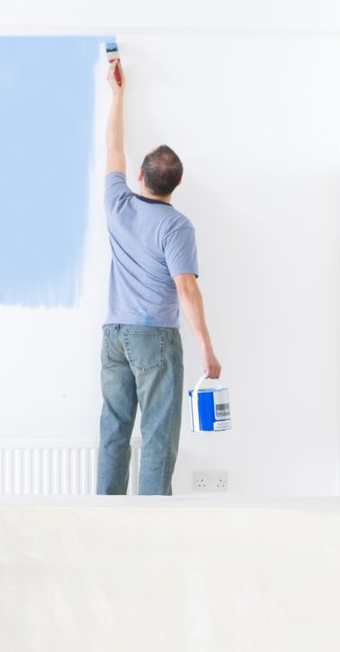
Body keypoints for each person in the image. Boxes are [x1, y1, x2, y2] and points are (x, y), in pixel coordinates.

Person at [98, 56, 221, 496]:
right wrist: (206, 347)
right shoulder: (176, 227)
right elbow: (185, 287)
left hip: (114, 333)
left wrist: (117, 95)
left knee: (114, 429)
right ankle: (152, 523)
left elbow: (113, 148)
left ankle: (104, 516)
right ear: (176, 185)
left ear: (139, 176)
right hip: (155, 338)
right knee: (157, 434)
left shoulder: (118, 204)